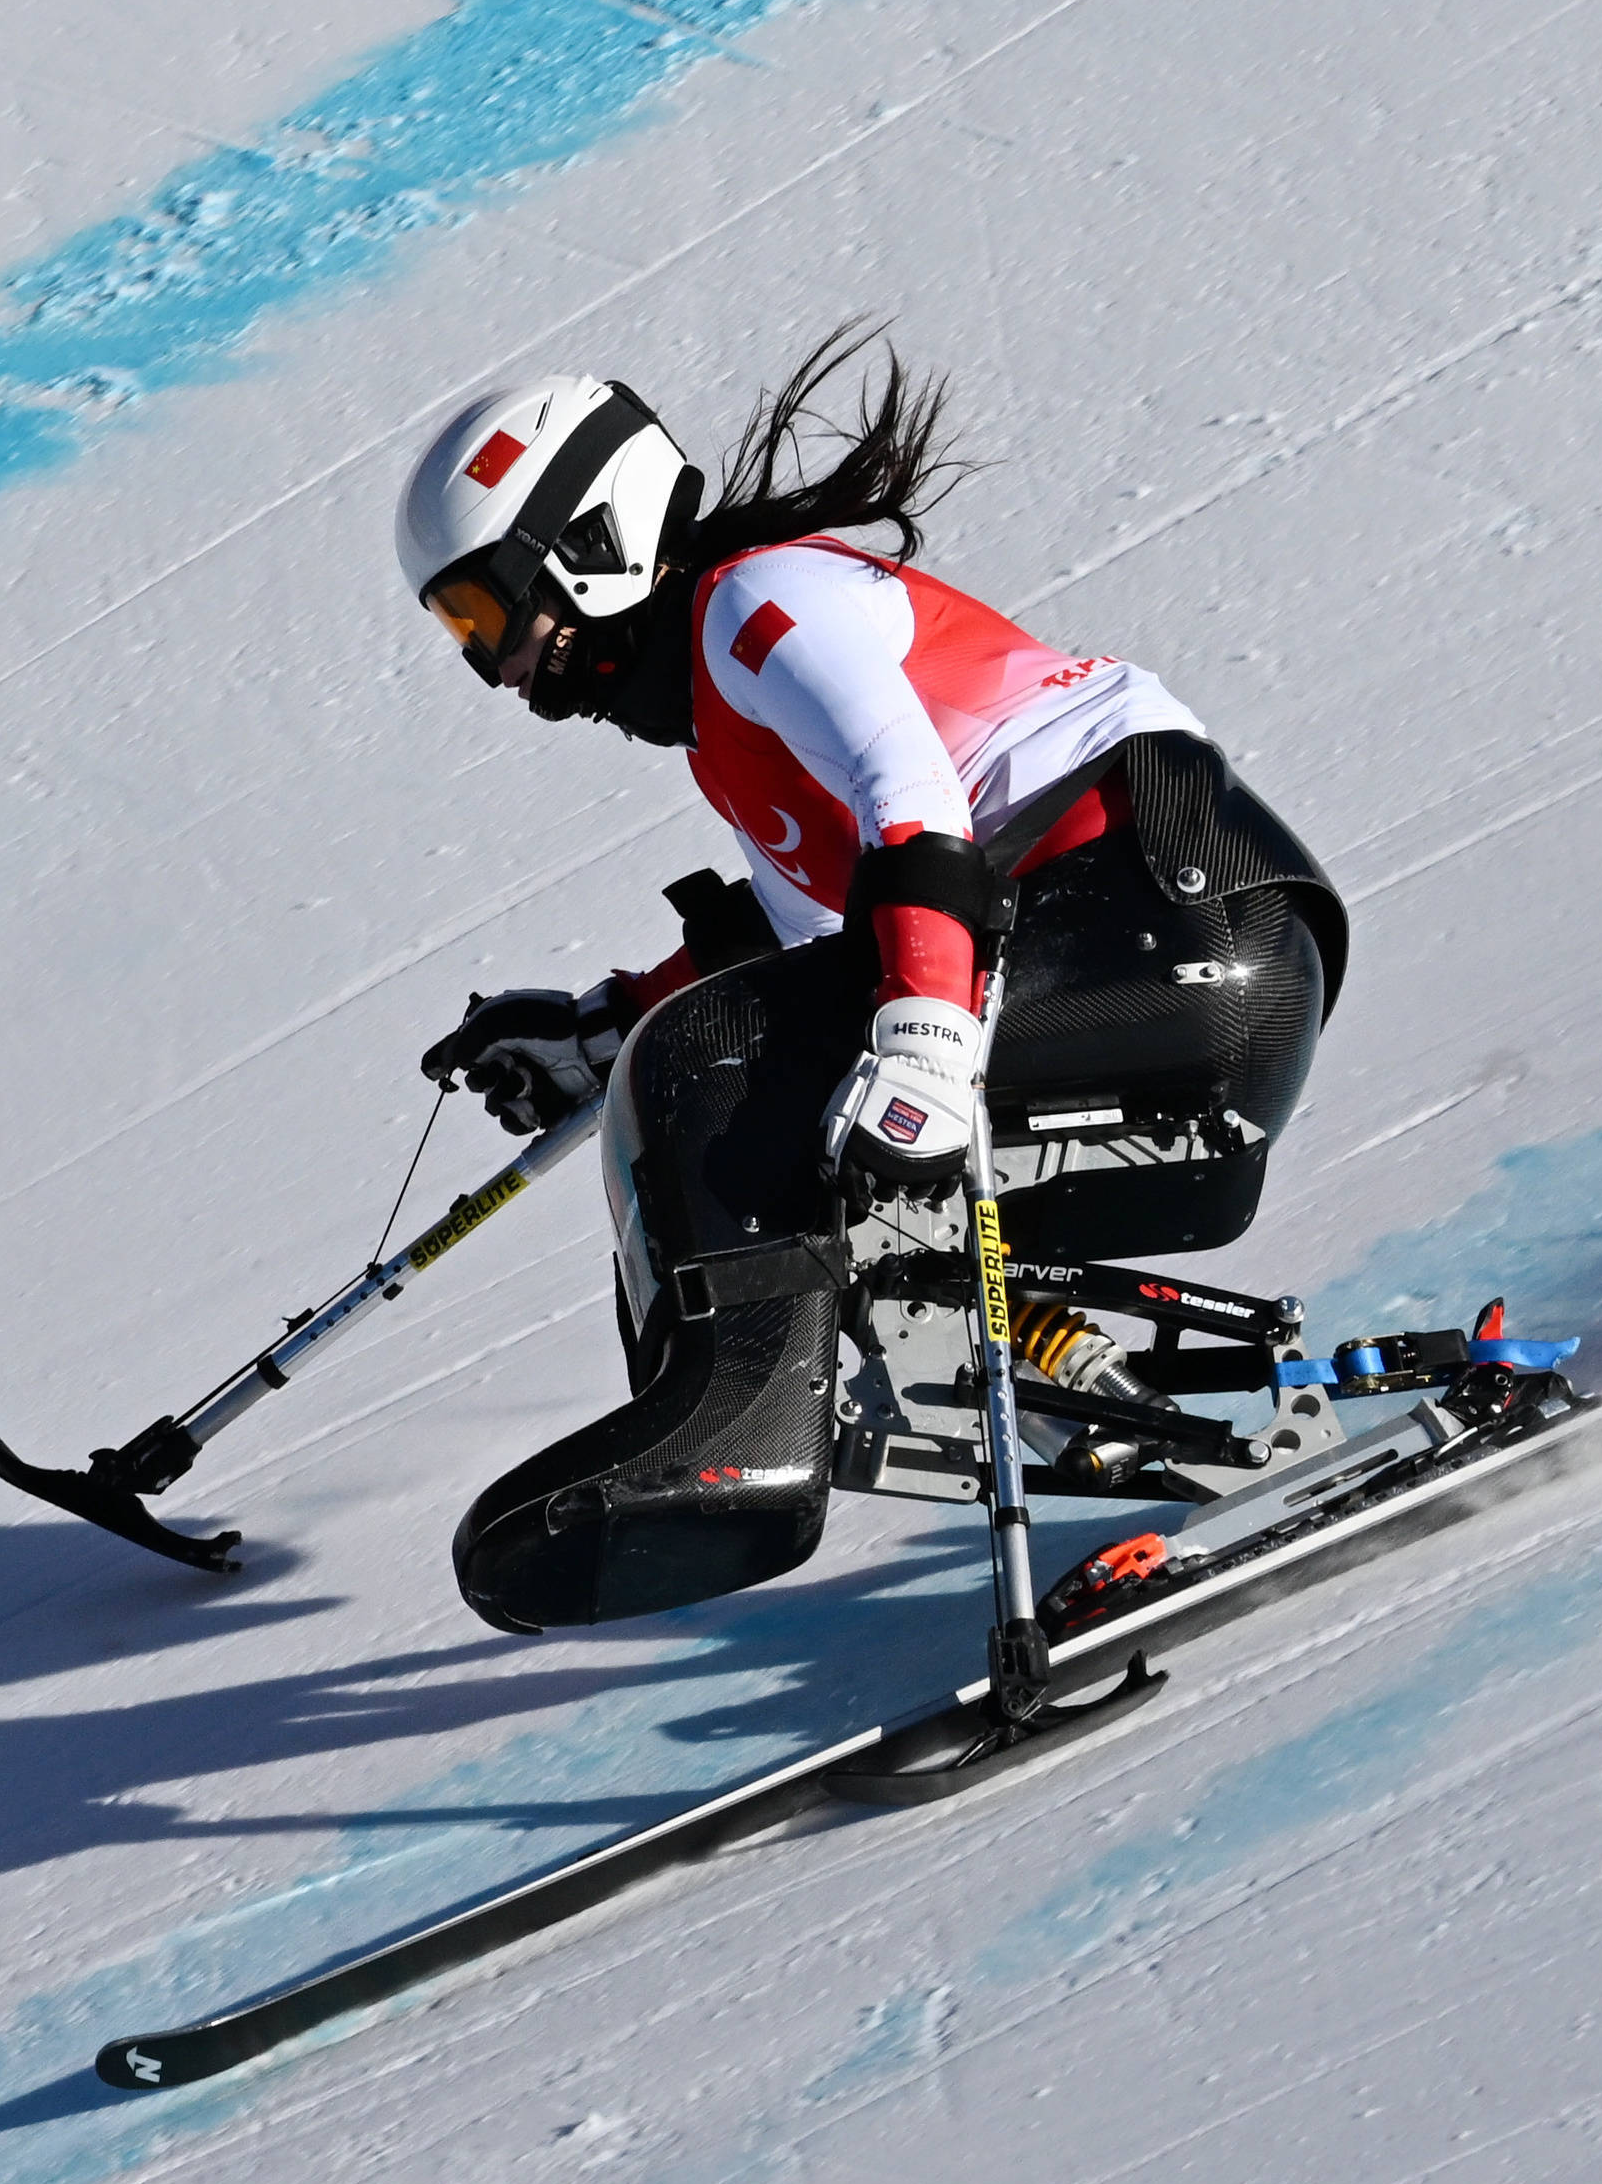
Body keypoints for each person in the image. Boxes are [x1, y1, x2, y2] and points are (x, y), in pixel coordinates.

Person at [393, 329, 1347, 1633]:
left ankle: (723, 1429)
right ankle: (1146, 1407)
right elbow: (811, 957)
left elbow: (917, 809)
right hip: (1181, 957)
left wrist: (920, 1041)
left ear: (590, 542)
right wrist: (598, 1029)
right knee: (761, 1104)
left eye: (490, 615)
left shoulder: (754, 602)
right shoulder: (730, 711)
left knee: (705, 1077)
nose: (497, 670)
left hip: (1157, 912)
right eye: (463, 634)